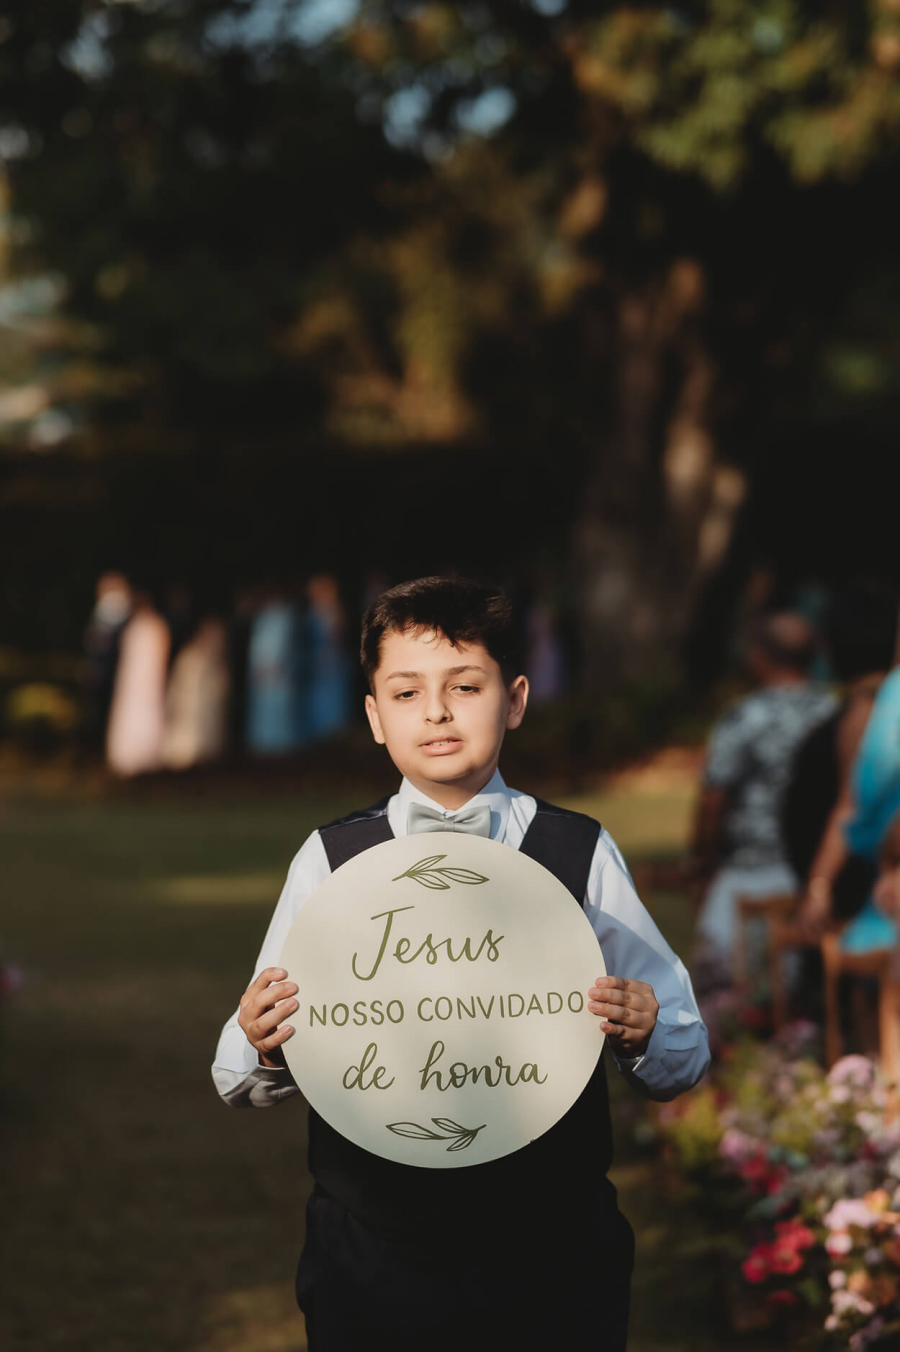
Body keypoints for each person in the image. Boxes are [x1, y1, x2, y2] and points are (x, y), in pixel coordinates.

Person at [213, 576, 709, 1352]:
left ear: (513, 700)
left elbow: (683, 1050)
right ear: (375, 716)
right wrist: (265, 1036)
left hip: (554, 1254)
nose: (437, 712)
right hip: (373, 1252)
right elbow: (236, 1073)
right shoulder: (333, 860)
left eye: (465, 686)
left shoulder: (577, 852)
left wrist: (645, 1030)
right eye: (406, 693)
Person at [690, 612, 835, 974]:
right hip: (819, 870)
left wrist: (701, 863)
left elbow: (714, 799)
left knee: (723, 981)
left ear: (760, 656)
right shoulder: (833, 713)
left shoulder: (744, 716)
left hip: (749, 871)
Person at [105, 588, 170, 777]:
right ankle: (128, 758)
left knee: (146, 715)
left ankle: (145, 757)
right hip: (132, 680)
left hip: (148, 679)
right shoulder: (133, 627)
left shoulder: (155, 626)